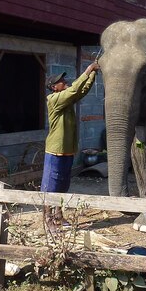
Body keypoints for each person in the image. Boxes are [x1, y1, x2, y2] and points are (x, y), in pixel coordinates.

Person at [41, 61, 100, 229]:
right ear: (54, 87)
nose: (65, 83)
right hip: (55, 151)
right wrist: (88, 69)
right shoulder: (54, 100)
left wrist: (93, 74)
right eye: (62, 82)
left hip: (67, 151)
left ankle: (58, 217)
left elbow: (82, 90)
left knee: (62, 185)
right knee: (50, 187)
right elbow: (74, 89)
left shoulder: (66, 101)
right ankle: (48, 221)